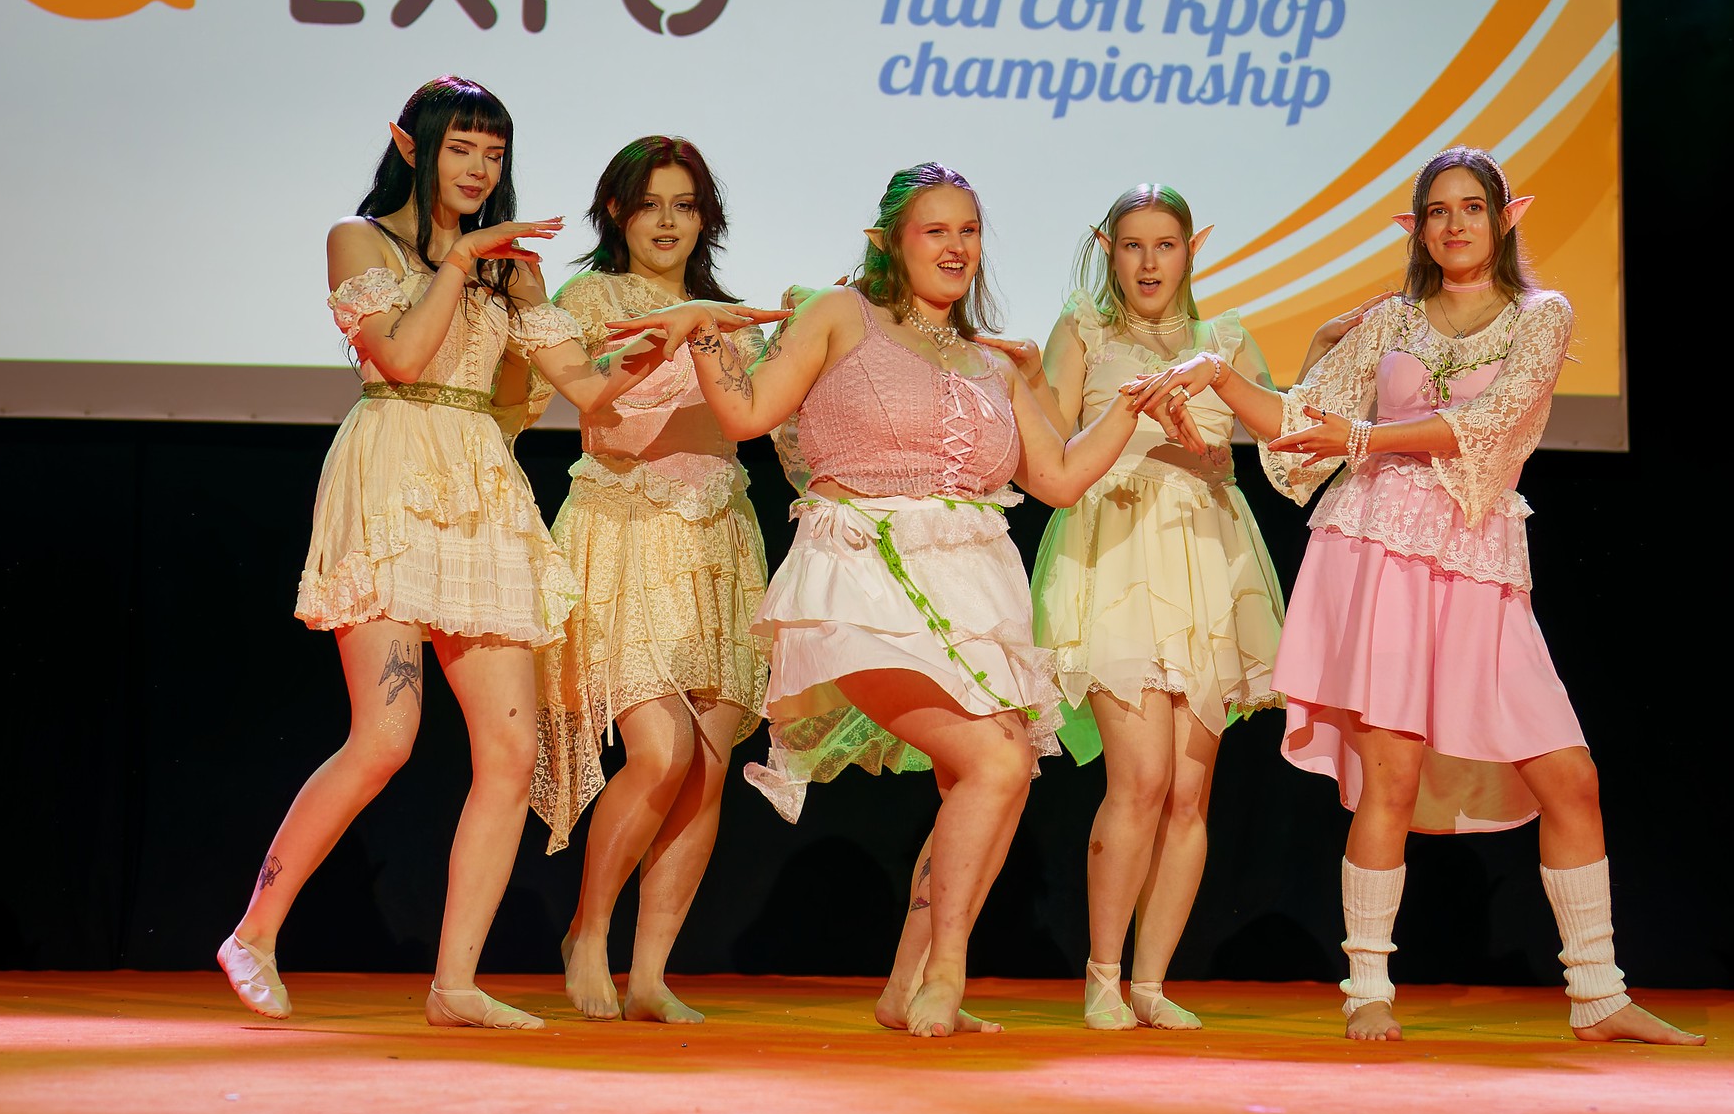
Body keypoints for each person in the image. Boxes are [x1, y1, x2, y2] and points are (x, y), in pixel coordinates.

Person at [1124, 147, 1704, 1046]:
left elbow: (1490, 423)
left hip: (1477, 559)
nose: (1455, 224)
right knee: (1388, 777)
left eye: (1471, 207)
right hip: (1377, 553)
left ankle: (1598, 993)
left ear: (1504, 219)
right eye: (1438, 210)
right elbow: (1302, 423)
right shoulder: (1389, 319)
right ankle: (1367, 989)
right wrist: (1222, 376)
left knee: (1570, 776)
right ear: (1418, 229)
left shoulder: (1541, 316)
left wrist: (1361, 435)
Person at [217, 77, 751, 1030]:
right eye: (460, 148)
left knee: (509, 753)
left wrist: (664, 341)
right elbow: (401, 358)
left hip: (484, 485)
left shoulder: (517, 271)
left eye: (493, 153)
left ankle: (454, 983)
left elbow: (586, 389)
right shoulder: (360, 240)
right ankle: (254, 932)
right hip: (392, 469)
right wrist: (461, 259)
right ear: (411, 146)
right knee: (386, 738)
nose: (477, 168)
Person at [609, 162, 1144, 1038]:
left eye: (969, 231)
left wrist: (1132, 406)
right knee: (997, 763)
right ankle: (947, 974)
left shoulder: (991, 361)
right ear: (889, 241)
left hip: (974, 590)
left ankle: (908, 986)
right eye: (936, 230)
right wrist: (702, 331)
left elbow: (1056, 479)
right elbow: (746, 415)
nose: (956, 247)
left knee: (998, 770)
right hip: (859, 577)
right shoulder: (839, 314)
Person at [1014, 184, 1288, 1030]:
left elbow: (1281, 441)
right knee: (1139, 778)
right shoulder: (1083, 330)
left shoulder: (1225, 340)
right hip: (1117, 552)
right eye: (1132, 246)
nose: (1148, 263)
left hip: (1205, 557)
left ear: (1191, 250)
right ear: (1109, 250)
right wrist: (1042, 386)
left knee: (1189, 792)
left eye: (1164, 245)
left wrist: (1217, 440)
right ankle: (1102, 974)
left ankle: (1151, 982)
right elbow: (1049, 449)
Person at [529, 136, 770, 1023]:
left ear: (706, 217)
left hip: (720, 539)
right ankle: (588, 932)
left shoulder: (731, 316)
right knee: (661, 754)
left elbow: (752, 423)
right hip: (628, 534)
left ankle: (651, 972)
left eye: (684, 205)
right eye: (649, 204)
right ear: (616, 213)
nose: (667, 222)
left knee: (706, 770)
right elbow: (607, 414)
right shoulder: (589, 299)